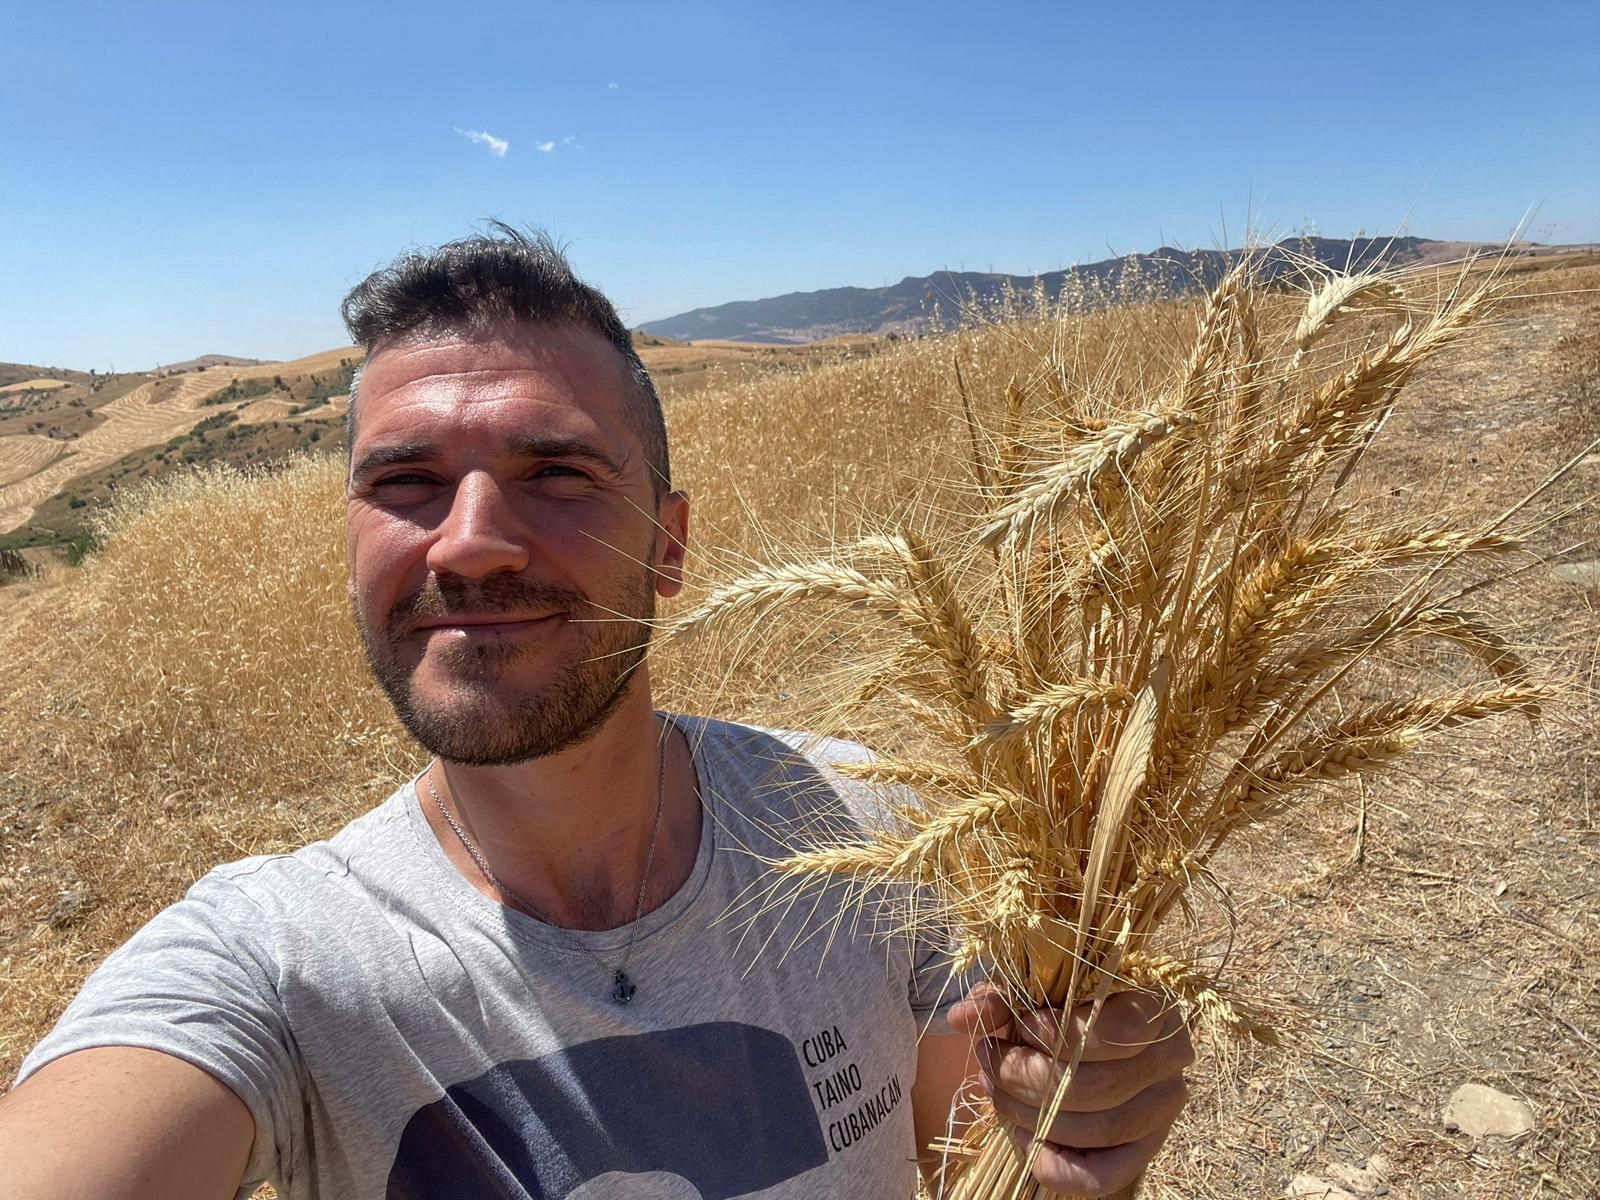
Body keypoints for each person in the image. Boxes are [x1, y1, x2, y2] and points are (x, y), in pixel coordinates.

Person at [0, 226, 1192, 1199]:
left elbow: (979, 1165)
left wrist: (1080, 1149)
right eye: (405, 482)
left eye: (556, 474)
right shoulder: (273, 963)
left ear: (669, 547)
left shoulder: (873, 830)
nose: (467, 543)